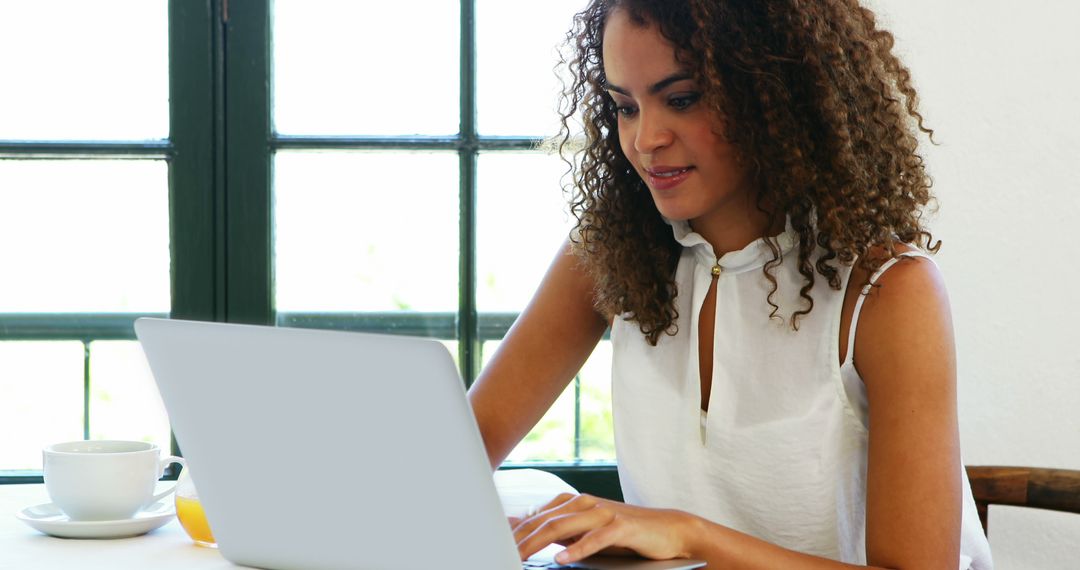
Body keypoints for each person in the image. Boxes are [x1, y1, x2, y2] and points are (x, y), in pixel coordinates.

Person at [467, 0, 993, 568]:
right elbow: (461, 449)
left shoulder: (890, 290)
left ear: (775, 92)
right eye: (624, 106)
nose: (645, 139)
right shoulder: (607, 256)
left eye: (682, 99)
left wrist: (691, 537)